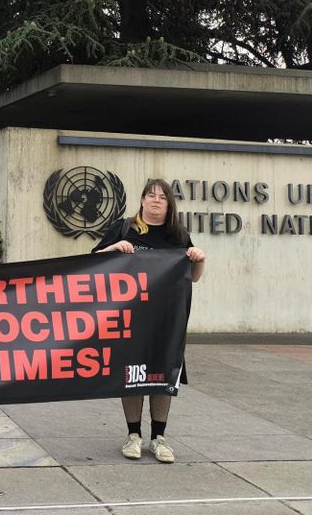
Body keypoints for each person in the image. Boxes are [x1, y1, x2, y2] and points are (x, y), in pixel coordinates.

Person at [93, 178, 205, 464]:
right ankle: (133, 435)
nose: (156, 200)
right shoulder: (123, 228)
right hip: (129, 317)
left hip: (166, 320)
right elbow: (92, 262)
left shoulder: (178, 235)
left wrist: (199, 258)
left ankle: (159, 438)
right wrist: (115, 247)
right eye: (151, 195)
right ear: (142, 200)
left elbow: (192, 276)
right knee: (131, 374)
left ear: (169, 204)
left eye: (162, 197)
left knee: (162, 373)